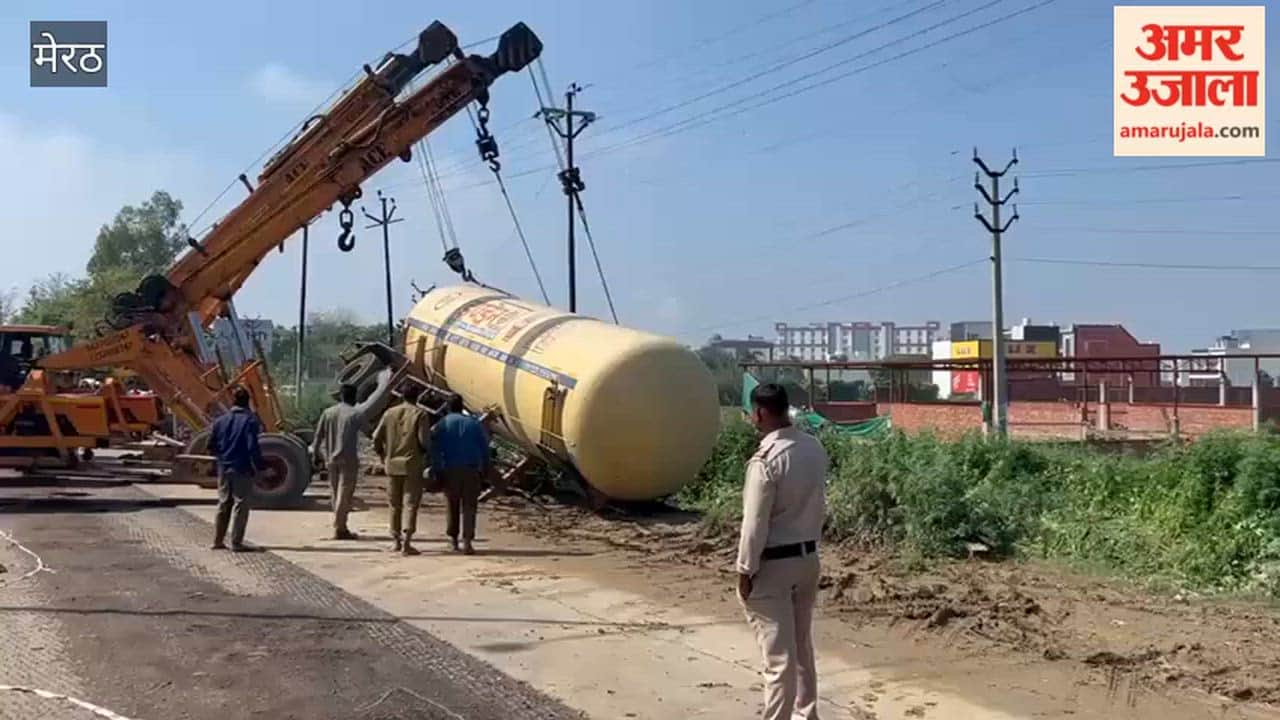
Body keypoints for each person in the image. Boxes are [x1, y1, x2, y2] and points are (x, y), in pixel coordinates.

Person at [736, 383, 828, 720]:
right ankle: (808, 714)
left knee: (778, 659)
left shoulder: (765, 460)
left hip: (773, 565)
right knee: (801, 646)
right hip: (807, 559)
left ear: (759, 412)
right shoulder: (813, 448)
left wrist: (745, 570)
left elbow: (754, 523)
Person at [372, 383, 431, 555]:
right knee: (411, 504)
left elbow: (376, 437)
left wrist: (382, 455)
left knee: (394, 504)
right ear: (417, 397)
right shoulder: (420, 414)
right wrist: (426, 456)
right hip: (412, 465)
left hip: (392, 465)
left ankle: (395, 541)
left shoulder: (389, 413)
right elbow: (424, 441)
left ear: (401, 396)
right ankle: (407, 542)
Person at [208, 386, 267, 552]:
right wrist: (260, 467)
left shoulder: (219, 421)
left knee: (224, 502)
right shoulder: (250, 421)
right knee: (241, 503)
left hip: (223, 467)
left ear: (232, 402)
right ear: (247, 402)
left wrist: (222, 457)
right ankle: (236, 542)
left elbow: (210, 445)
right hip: (242, 467)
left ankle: (217, 540)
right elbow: (252, 447)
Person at [430, 395, 490, 555]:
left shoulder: (442, 425)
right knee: (470, 507)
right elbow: (485, 448)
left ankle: (453, 541)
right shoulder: (474, 424)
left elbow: (435, 449)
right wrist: (485, 469)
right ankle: (468, 542)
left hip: (450, 470)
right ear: (461, 406)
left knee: (452, 505)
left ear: (448, 407)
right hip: (471, 470)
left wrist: (437, 469)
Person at [311, 384, 364, 540]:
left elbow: (318, 436)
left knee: (335, 492)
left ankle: (341, 526)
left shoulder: (328, 413)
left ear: (341, 396)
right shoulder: (355, 414)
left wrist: (315, 454)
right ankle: (339, 527)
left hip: (331, 459)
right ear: (354, 397)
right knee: (344, 493)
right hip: (348, 459)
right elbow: (369, 432)